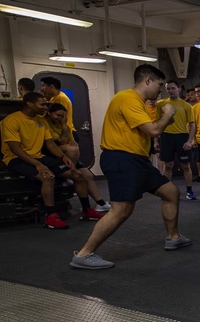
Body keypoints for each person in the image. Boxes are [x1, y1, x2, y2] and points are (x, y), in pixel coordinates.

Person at [70, 64, 192, 270]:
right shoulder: (127, 98)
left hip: (138, 161)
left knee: (170, 192)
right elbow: (154, 130)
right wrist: (168, 115)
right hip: (121, 159)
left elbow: (147, 131)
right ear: (148, 81)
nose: (161, 89)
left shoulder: (139, 103)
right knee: (121, 210)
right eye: (159, 84)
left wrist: (166, 120)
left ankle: (173, 237)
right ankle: (84, 254)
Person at [1, 92, 104, 229]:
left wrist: (63, 156)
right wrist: (38, 165)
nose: (45, 107)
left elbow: (50, 144)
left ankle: (87, 210)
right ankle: (50, 216)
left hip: (38, 157)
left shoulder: (40, 121)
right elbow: (15, 149)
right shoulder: (11, 120)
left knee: (78, 175)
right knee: (48, 177)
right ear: (29, 104)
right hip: (17, 159)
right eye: (42, 104)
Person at [45, 102, 111, 213]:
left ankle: (101, 204)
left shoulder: (62, 125)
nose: (60, 118)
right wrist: (64, 126)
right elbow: (63, 141)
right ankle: (70, 172)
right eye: (57, 115)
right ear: (48, 113)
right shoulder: (45, 124)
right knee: (72, 151)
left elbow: (72, 141)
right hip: (52, 154)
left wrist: (64, 125)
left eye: (62, 116)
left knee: (88, 175)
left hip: (66, 157)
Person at [156, 79, 198, 200]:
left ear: (179, 89)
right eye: (168, 88)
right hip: (166, 137)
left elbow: (192, 124)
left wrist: (189, 141)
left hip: (182, 137)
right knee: (168, 165)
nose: (170, 91)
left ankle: (189, 191)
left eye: (173, 88)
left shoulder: (186, 106)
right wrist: (155, 140)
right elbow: (157, 123)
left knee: (186, 166)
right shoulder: (161, 104)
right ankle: (167, 191)